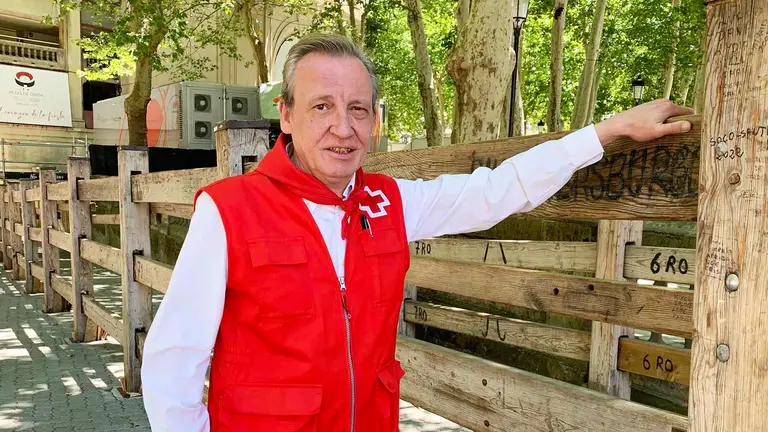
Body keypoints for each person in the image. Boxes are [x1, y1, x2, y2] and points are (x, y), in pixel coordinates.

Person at [141, 33, 694, 431]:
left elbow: (498, 189)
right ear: (285, 115)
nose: (343, 127)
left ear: (375, 121)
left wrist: (606, 131)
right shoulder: (228, 210)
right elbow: (175, 359)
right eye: (322, 106)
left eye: (358, 109)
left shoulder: (390, 202)